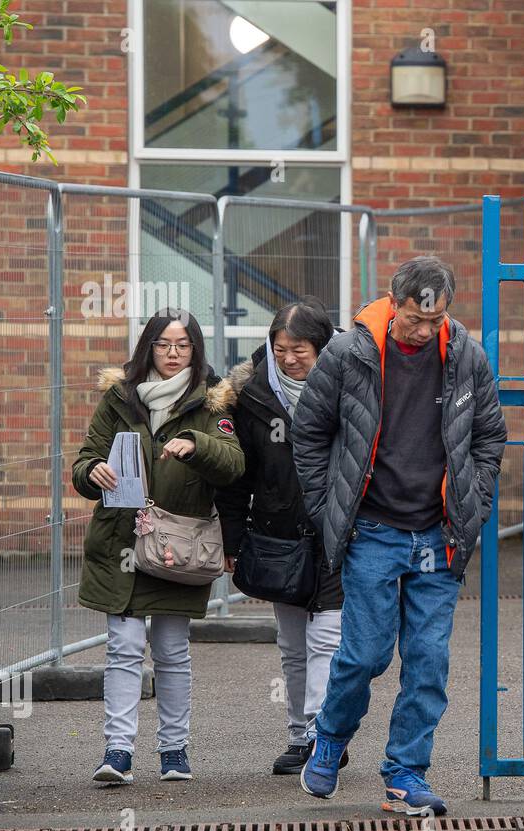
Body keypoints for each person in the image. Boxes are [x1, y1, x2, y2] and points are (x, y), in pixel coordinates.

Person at [292, 256, 507, 815]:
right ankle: (332, 738)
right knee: (364, 654)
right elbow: (310, 433)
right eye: (415, 319)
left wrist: (474, 506)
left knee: (428, 661)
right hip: (374, 529)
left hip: (440, 535)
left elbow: (489, 436)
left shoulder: (465, 354)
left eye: (434, 322)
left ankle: (405, 773)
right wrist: (325, 507)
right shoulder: (348, 352)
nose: (424, 331)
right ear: (394, 305)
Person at [72, 308, 244, 784]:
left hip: (178, 548)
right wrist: (92, 472)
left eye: (182, 344)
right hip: (121, 544)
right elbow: (86, 458)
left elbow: (233, 464)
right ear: (147, 347)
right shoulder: (119, 398)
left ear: (195, 349)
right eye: (163, 344)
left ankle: (174, 752)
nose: (172, 353)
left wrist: (196, 444)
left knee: (171, 649)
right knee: (124, 647)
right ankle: (118, 752)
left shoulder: (212, 402)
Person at [216, 297, 350, 775]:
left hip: (338, 533)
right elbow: (237, 476)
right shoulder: (251, 396)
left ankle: (321, 733)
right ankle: (299, 735)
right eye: (280, 349)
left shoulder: (349, 387)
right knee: (293, 645)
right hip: (278, 535)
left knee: (328, 640)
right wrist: (233, 539)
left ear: (323, 347)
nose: (289, 359)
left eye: (300, 350)